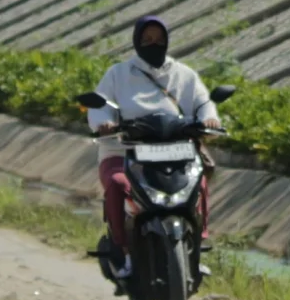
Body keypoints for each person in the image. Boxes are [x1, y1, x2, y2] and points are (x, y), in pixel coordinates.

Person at [89, 14, 219, 282]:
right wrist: (105, 124)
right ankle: (123, 252)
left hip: (176, 152)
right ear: (137, 41)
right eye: (147, 39)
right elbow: (99, 106)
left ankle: (197, 249)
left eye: (159, 39)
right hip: (123, 152)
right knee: (116, 184)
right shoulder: (118, 74)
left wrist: (209, 118)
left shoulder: (184, 75)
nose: (153, 44)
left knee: (199, 184)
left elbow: (203, 102)